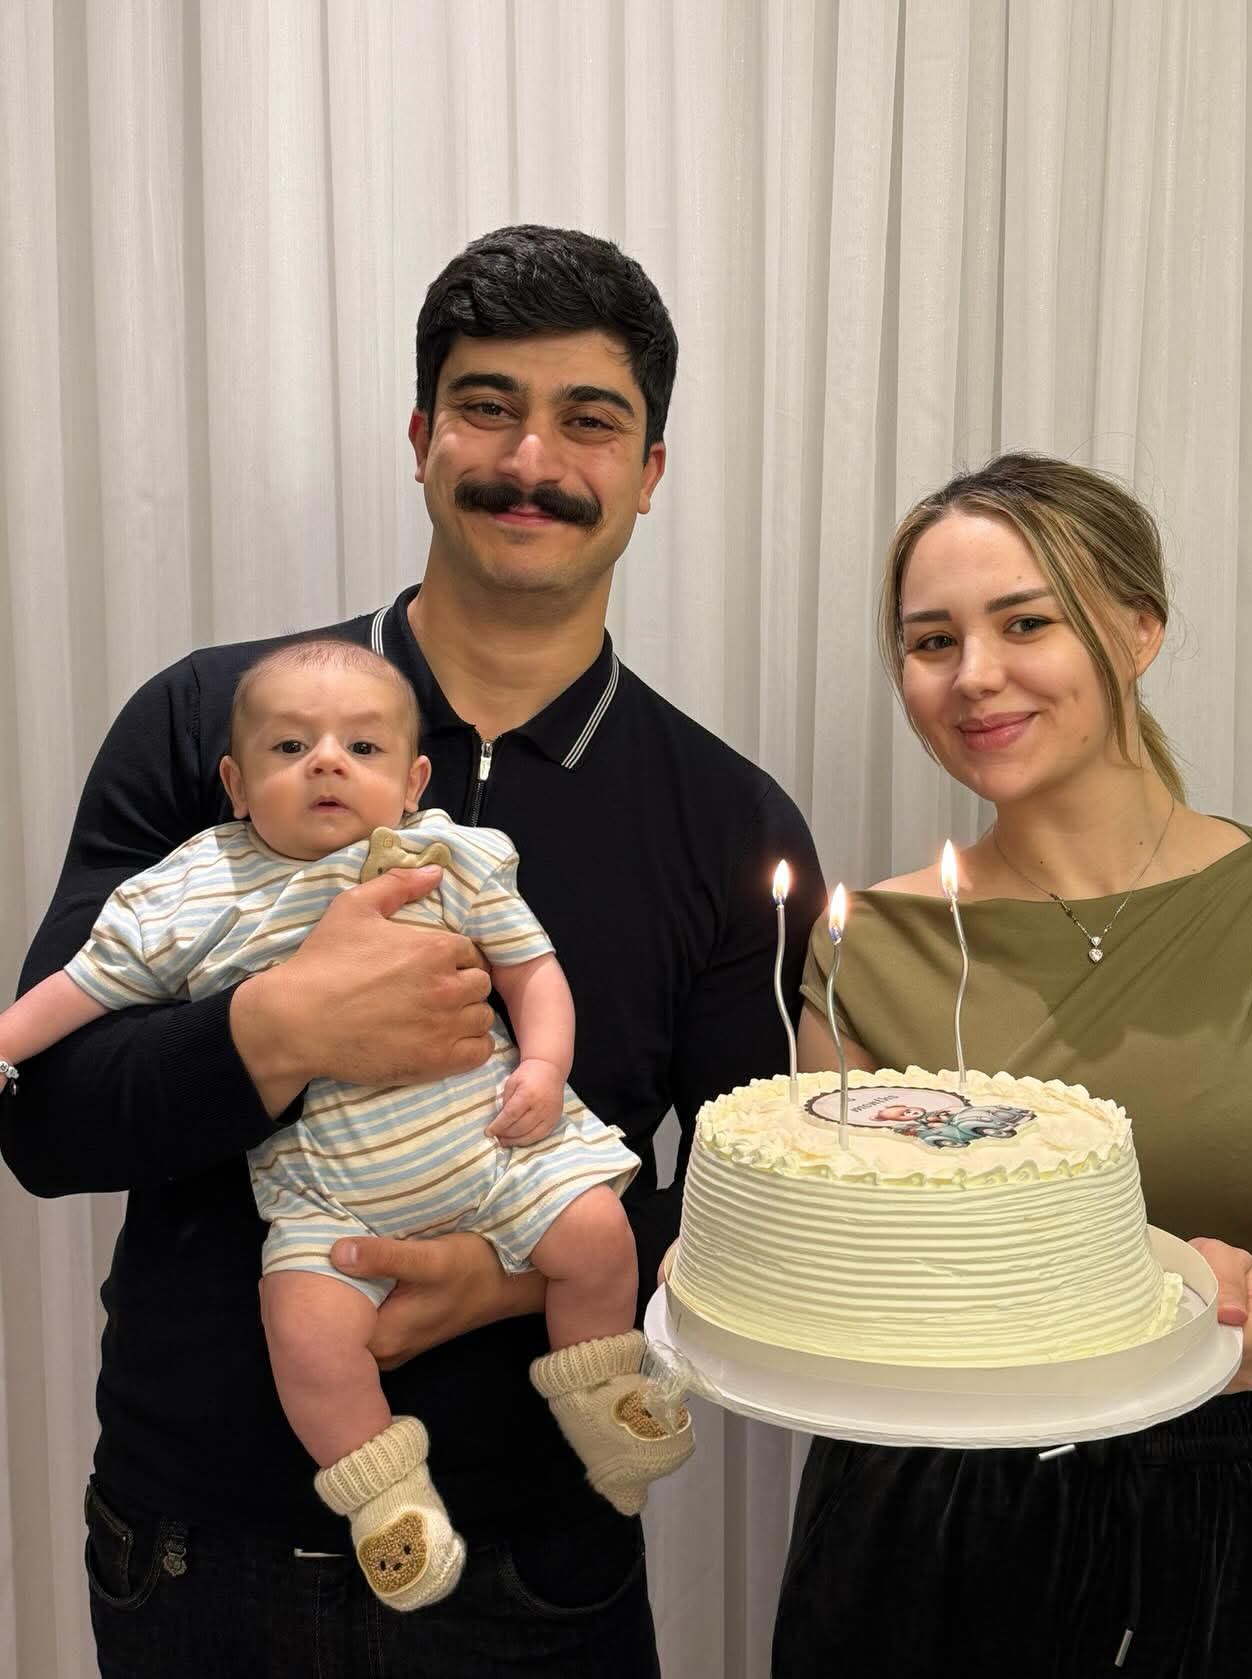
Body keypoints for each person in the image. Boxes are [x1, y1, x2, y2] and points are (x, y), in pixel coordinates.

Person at [1, 224, 824, 1678]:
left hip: (542, 1573)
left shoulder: (726, 819)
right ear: (420, 435)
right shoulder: (214, 725)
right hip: (199, 1553)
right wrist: (278, 1029)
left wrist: (514, 1274)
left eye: (589, 419)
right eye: (487, 405)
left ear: (649, 471)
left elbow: (752, 1196)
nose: (531, 459)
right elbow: (48, 1125)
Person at [769, 453, 1252, 1679]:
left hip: (1221, 1528)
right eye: (931, 641)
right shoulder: (869, 944)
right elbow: (855, 1288)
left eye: (1026, 622)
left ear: (1139, 628)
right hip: (923, 1527)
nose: (975, 674)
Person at [0, 636, 696, 1611]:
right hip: (325, 1196)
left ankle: (600, 1395)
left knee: (594, 1232)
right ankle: (386, 1501)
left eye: (362, 748)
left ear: (412, 783)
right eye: (290, 748)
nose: (326, 761)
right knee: (307, 1330)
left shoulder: (445, 858)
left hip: (490, 1147)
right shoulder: (197, 885)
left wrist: (543, 1066)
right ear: (235, 784)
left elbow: (531, 970)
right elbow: (84, 990)